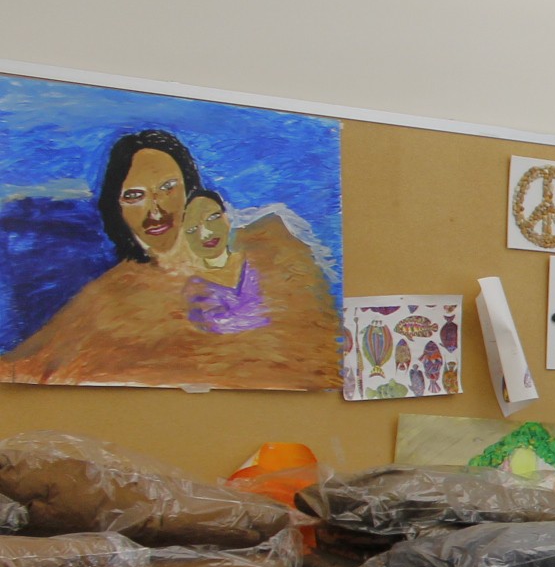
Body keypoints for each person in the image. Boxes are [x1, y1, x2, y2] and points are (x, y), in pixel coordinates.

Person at [0, 127, 339, 388]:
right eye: (135, 196)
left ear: (191, 190)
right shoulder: (106, 302)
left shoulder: (274, 242)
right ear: (116, 209)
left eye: (167, 187)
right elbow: (25, 367)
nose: (156, 210)